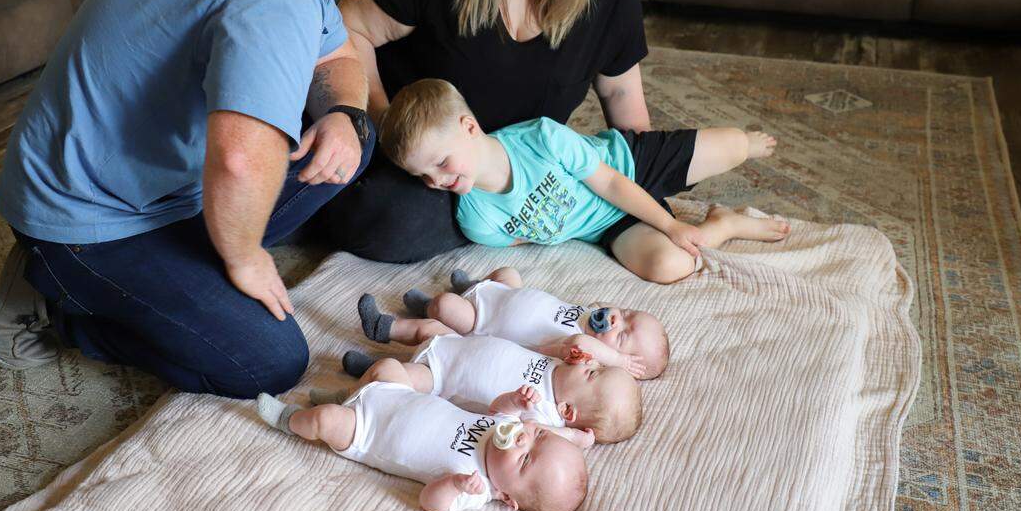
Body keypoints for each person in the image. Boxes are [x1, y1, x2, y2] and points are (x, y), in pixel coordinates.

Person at [0, 0, 456, 398]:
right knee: (270, 361)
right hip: (83, 218)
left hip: (151, 179)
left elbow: (337, 59)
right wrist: (245, 257)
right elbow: (238, 160)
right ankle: (60, 305)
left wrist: (342, 117)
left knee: (349, 147)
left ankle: (178, 270)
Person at [315, 0, 655, 263]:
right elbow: (349, 28)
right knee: (379, 220)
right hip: (430, 165)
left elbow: (622, 94)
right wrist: (385, 126)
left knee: (655, 174)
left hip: (524, 167)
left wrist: (641, 178)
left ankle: (505, 215)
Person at [377, 79, 790, 287]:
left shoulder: (541, 137)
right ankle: (724, 223)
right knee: (671, 264)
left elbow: (609, 184)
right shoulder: (477, 220)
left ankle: (743, 144)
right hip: (607, 226)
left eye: (441, 163)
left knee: (735, 145)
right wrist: (667, 233)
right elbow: (539, 235)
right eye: (423, 176)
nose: (436, 181)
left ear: (469, 127)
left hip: (626, 164)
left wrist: (670, 224)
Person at [255, 379, 589, 511]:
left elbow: (432, 503)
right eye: (539, 437)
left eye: (525, 459)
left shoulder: (477, 486)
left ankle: (290, 419)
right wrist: (515, 401)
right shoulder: (508, 427)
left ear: (507, 497)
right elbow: (497, 409)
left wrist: (454, 485)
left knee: (326, 421)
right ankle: (344, 395)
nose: (522, 440)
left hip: (368, 434)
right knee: (386, 372)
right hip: (397, 398)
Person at [331, 326, 642, 444]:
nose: (592, 363)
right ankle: (384, 333)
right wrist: (565, 352)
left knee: (398, 377)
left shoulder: (544, 411)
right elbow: (547, 343)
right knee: (427, 330)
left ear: (568, 411)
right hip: (458, 344)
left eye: (593, 374)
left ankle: (352, 394)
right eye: (598, 365)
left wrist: (574, 437)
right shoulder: (560, 365)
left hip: (442, 379)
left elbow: (538, 434)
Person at [358, 266, 672, 380]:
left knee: (446, 307)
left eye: (621, 336)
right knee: (508, 272)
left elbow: (580, 344)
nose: (617, 320)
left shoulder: (577, 351)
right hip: (504, 294)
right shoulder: (587, 316)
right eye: (628, 314)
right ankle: (465, 289)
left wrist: (615, 360)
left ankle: (388, 326)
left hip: (482, 323)